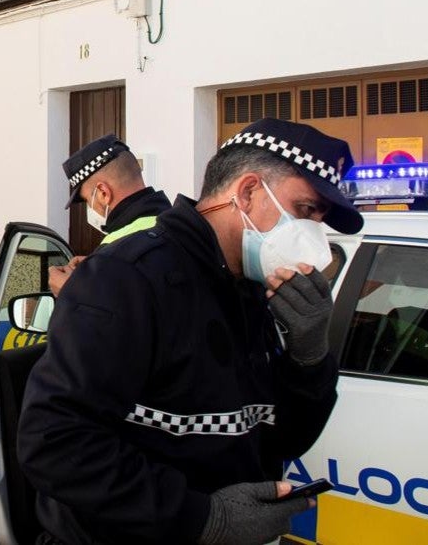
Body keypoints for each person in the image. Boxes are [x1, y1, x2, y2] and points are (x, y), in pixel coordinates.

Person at [19, 118, 363, 545]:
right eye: (306, 211)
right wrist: (203, 519)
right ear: (249, 191)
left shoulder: (255, 290)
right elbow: (54, 442)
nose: (313, 234)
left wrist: (309, 357)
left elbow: (282, 440)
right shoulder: (127, 279)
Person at [50, 134, 171, 297]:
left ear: (103, 192)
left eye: (87, 200)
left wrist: (70, 289)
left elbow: (102, 318)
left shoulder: (114, 249)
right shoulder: (177, 224)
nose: (90, 208)